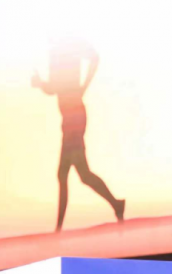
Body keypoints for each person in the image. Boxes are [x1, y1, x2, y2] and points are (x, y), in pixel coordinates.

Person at [32, 36, 125, 232]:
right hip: (69, 118)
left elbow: (94, 58)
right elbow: (55, 88)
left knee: (68, 174)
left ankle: (59, 230)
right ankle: (116, 204)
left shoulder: (66, 50)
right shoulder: (57, 53)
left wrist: (83, 86)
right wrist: (41, 84)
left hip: (74, 118)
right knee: (78, 174)